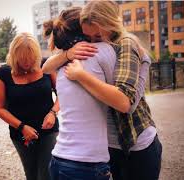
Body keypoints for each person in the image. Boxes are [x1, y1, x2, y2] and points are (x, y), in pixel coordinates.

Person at [42, 1, 162, 180]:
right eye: (87, 36)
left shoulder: (125, 44)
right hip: (112, 146)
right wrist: (67, 54)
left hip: (136, 143)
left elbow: (125, 103)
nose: (91, 42)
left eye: (96, 36)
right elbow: (45, 68)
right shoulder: (98, 48)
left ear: (110, 24)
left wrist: (81, 76)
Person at [43, 7, 116, 180]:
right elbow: (124, 96)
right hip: (86, 164)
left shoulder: (61, 63)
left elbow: (45, 68)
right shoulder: (102, 51)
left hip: (58, 159)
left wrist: (67, 54)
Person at [0, 32, 59, 180]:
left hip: (48, 130)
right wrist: (22, 127)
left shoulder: (46, 66)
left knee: (47, 174)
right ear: (14, 56)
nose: (28, 63)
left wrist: (53, 113)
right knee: (31, 174)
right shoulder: (3, 73)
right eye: (23, 59)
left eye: (31, 58)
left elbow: (62, 94)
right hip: (20, 134)